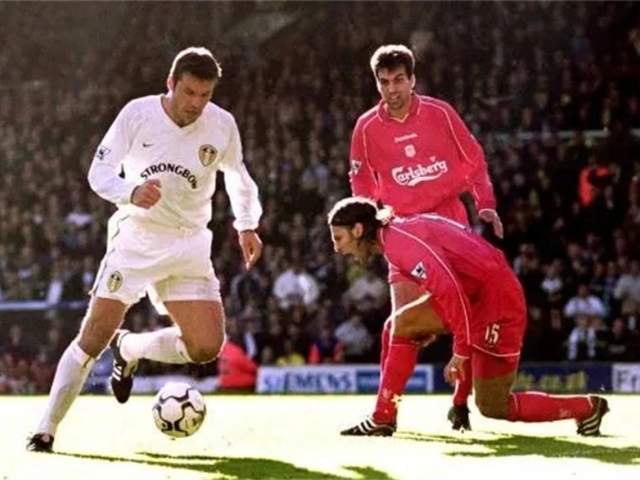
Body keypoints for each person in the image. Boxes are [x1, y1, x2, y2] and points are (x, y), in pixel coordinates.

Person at [27, 47, 263, 452]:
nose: (196, 104)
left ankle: (130, 347)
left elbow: (237, 176)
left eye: (204, 95)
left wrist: (246, 224)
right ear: (171, 83)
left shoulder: (221, 124)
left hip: (190, 240)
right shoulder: (137, 114)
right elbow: (98, 172)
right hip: (138, 236)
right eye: (189, 92)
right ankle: (44, 429)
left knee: (206, 346)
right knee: (93, 337)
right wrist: (131, 191)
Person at [328, 197, 608, 437]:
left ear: (358, 229)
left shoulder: (401, 242)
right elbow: (455, 286)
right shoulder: (396, 236)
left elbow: (452, 291)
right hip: (477, 293)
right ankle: (383, 416)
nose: (336, 248)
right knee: (398, 325)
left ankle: (588, 408)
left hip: (498, 303)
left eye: (338, 238)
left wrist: (460, 353)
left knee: (494, 406)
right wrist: (459, 397)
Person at [348, 44, 502, 430]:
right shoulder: (366, 127)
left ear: (412, 79)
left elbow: (474, 159)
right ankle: (385, 415)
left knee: (458, 311)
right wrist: (367, 221)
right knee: (400, 325)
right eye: (384, 82)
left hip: (448, 225)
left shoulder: (440, 113)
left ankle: (460, 403)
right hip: (401, 232)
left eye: (399, 80)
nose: (392, 89)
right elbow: (361, 181)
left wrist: (485, 203)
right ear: (377, 84)